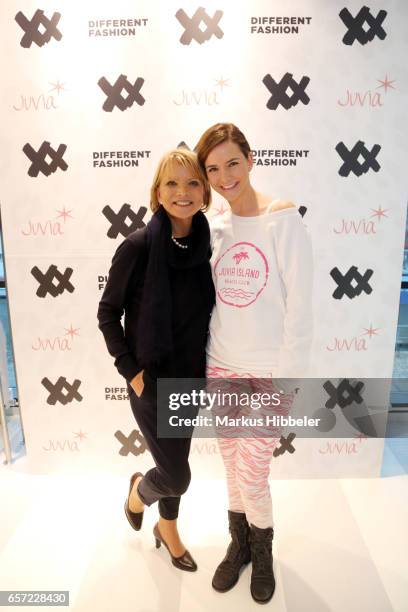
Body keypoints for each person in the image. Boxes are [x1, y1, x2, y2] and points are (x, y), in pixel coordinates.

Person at [195, 123, 313, 602]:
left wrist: (286, 379)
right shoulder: (215, 228)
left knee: (252, 470)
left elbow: (301, 306)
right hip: (221, 365)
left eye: (232, 163)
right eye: (214, 169)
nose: (225, 177)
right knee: (230, 464)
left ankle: (263, 551)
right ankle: (239, 544)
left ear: (250, 158)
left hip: (267, 374)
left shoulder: (280, 218)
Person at [97, 148, 214, 572]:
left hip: (190, 378)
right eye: (172, 183)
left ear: (205, 192)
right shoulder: (139, 246)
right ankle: (135, 493)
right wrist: (132, 372)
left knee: (175, 462)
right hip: (151, 378)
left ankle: (168, 530)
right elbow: (107, 314)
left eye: (192, 183)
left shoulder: (206, 245)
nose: (182, 192)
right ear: (157, 192)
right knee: (176, 475)